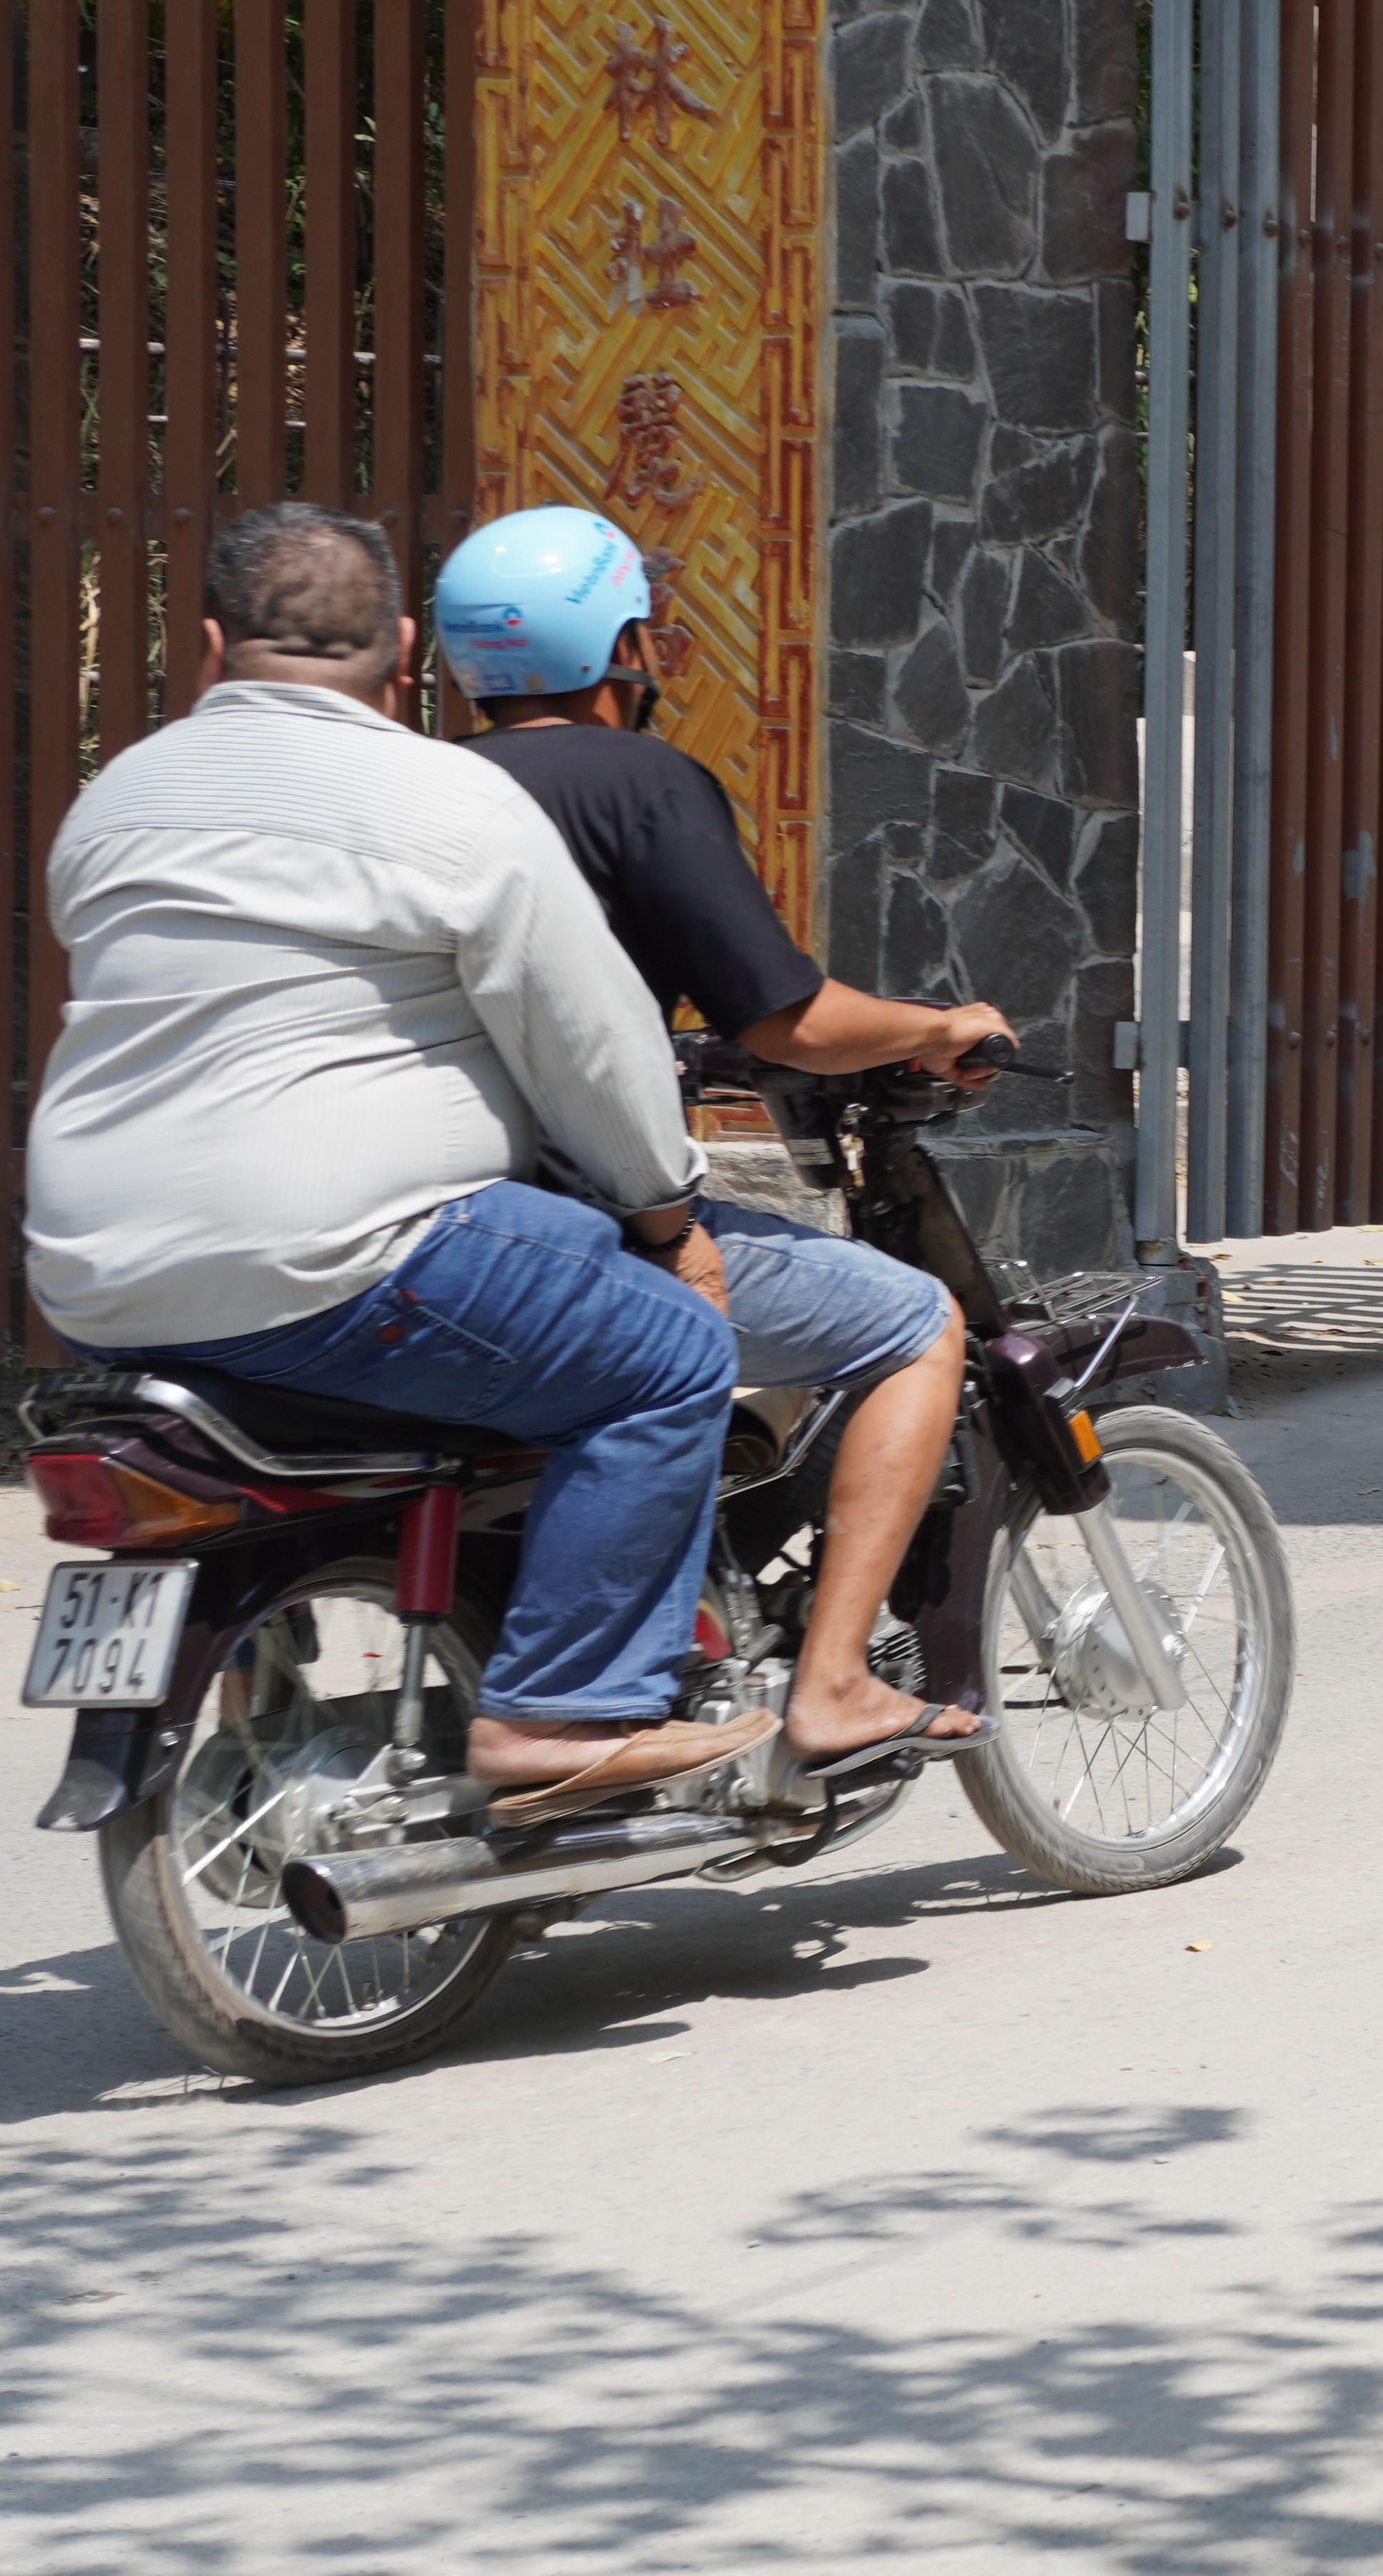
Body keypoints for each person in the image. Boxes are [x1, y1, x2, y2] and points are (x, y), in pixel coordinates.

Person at [25, 504, 762, 1821]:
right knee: (669, 1354)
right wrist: (665, 1218)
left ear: (209, 646)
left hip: (91, 1272)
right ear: (405, 653)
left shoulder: (115, 798)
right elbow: (592, 1043)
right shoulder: (450, 800)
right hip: (342, 1255)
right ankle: (564, 1715)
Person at [434, 503, 1010, 1774]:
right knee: (913, 1322)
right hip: (585, 1215)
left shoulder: (431, 783)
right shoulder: (640, 784)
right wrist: (932, 1027)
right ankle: (837, 1684)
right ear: (626, 645)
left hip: (435, 1218)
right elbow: (791, 1019)